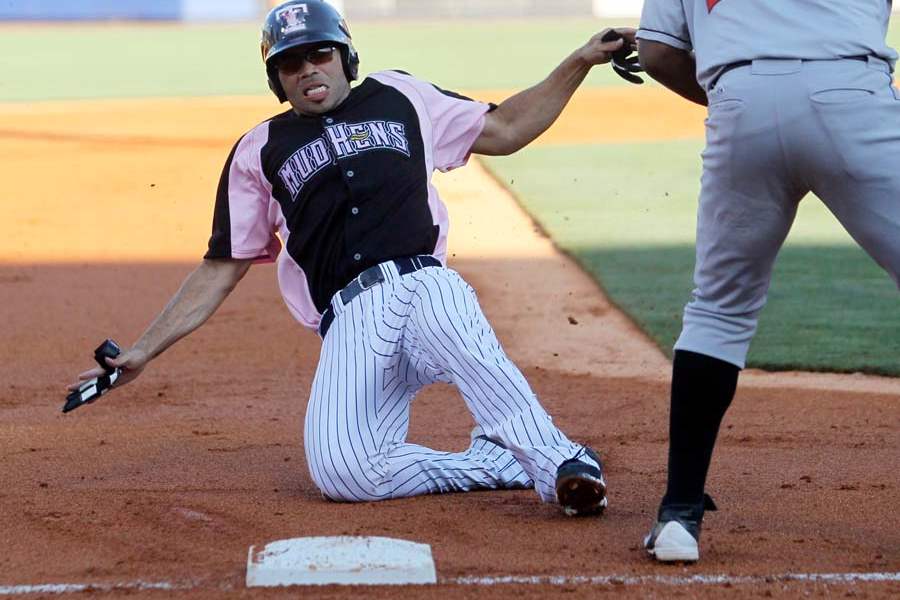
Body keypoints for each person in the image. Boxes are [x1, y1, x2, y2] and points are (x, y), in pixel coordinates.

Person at [69, 0, 637, 515]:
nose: (308, 69)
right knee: (345, 473)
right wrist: (143, 350)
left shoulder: (400, 95)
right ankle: (499, 463)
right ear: (277, 79)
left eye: (320, 53)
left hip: (422, 286)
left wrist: (580, 61)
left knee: (461, 337)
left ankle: (562, 461)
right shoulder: (257, 151)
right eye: (291, 63)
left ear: (345, 56)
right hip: (349, 321)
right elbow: (222, 265)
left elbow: (508, 128)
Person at [636, 0, 899, 562]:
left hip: (740, 97)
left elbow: (657, 51)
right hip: (850, 92)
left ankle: (679, 517)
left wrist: (744, 102)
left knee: (718, 311)